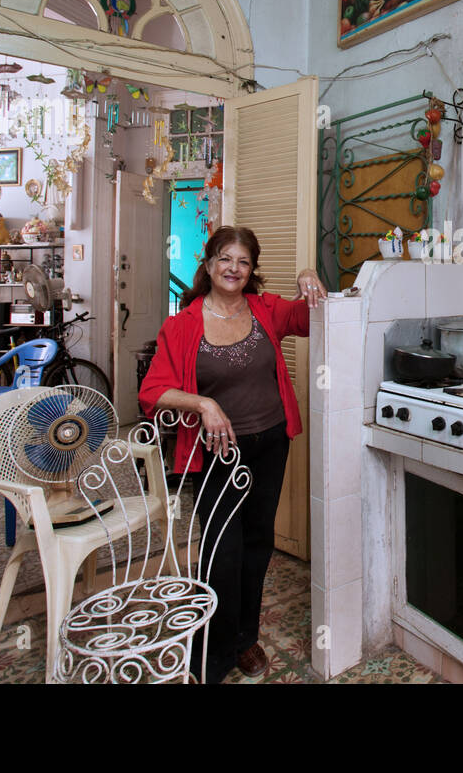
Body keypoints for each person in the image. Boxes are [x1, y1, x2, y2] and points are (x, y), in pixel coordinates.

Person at [138, 225, 326, 682]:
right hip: (218, 454)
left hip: (271, 443)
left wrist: (308, 274)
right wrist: (203, 403)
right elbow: (153, 392)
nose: (233, 268)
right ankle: (213, 653)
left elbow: (313, 315)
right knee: (223, 550)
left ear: (251, 270)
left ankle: (245, 640)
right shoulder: (182, 326)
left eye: (243, 262)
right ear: (208, 264)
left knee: (258, 545)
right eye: (225, 258)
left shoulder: (266, 309)